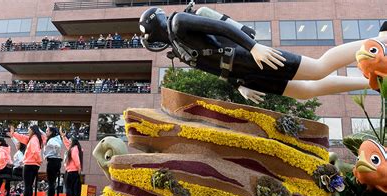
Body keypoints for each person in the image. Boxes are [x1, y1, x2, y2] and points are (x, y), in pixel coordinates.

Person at [138, 5, 387, 103]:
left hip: (248, 56)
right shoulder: (179, 49)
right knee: (304, 91)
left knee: (319, 68)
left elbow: (221, 28)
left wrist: (254, 47)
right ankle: (371, 83)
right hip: (243, 74)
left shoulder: (179, 22)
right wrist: (238, 86)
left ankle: (380, 40)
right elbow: (213, 67)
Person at [8, 125, 43, 196]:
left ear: (33, 131)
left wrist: (39, 160)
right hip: (34, 165)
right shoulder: (33, 138)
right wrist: (14, 133)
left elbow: (35, 151)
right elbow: (23, 138)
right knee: (29, 186)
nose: (27, 131)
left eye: (29, 130)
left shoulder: (34, 139)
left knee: (27, 186)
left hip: (29, 164)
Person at [59, 127, 83, 196]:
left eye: (70, 141)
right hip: (74, 171)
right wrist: (63, 136)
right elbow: (67, 144)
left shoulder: (74, 149)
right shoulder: (74, 148)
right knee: (72, 188)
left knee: (69, 188)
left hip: (71, 171)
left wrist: (79, 167)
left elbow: (76, 159)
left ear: (73, 142)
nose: (69, 142)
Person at [40, 127, 63, 196]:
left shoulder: (52, 140)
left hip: (52, 161)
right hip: (56, 161)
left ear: (51, 132)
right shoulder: (57, 138)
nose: (45, 132)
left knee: (51, 183)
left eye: (47, 131)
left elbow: (57, 146)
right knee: (52, 183)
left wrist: (56, 153)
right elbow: (43, 133)